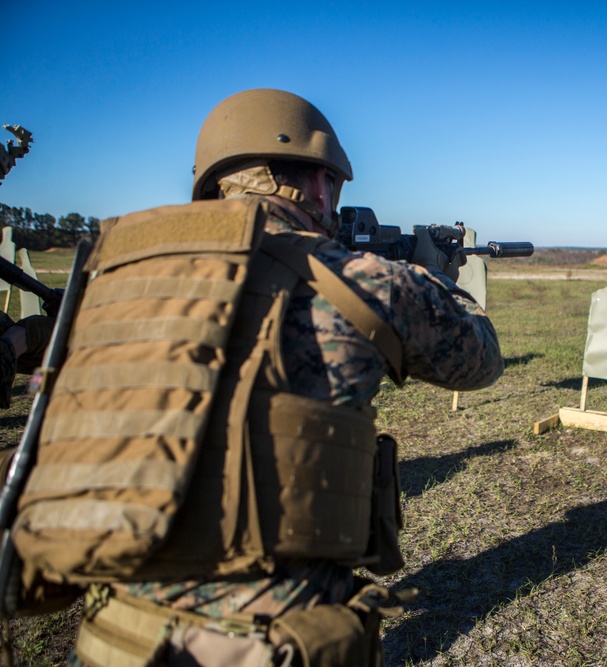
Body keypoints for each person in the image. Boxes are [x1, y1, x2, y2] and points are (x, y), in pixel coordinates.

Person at [14, 89, 504, 666]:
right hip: (273, 646)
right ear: (318, 181)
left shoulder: (112, 282)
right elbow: (480, 360)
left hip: (113, 640)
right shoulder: (360, 281)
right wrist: (431, 275)